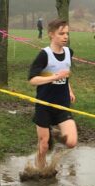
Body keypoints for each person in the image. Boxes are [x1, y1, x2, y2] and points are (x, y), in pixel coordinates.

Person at [28, 19, 77, 169]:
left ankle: (55, 134)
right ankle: (39, 171)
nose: (65, 36)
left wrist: (69, 90)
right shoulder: (44, 55)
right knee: (43, 146)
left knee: (71, 142)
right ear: (51, 35)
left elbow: (65, 74)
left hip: (62, 105)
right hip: (44, 105)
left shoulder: (69, 52)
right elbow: (32, 80)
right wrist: (55, 77)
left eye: (67, 33)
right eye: (61, 33)